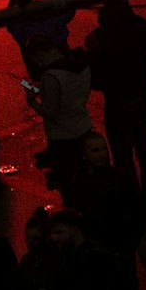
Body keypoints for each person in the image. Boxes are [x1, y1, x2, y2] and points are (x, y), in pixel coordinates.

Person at [84, 0, 146, 216]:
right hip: (141, 94)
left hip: (117, 101)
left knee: (122, 156)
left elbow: (93, 77)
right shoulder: (139, 25)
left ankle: (133, 204)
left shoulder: (98, 38)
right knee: (145, 151)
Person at [24, 34, 92, 190]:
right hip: (83, 126)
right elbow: (67, 94)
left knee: (68, 183)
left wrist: (32, 101)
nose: (38, 64)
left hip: (62, 136)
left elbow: (50, 111)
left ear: (40, 54)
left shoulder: (51, 76)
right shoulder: (81, 64)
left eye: (37, 60)